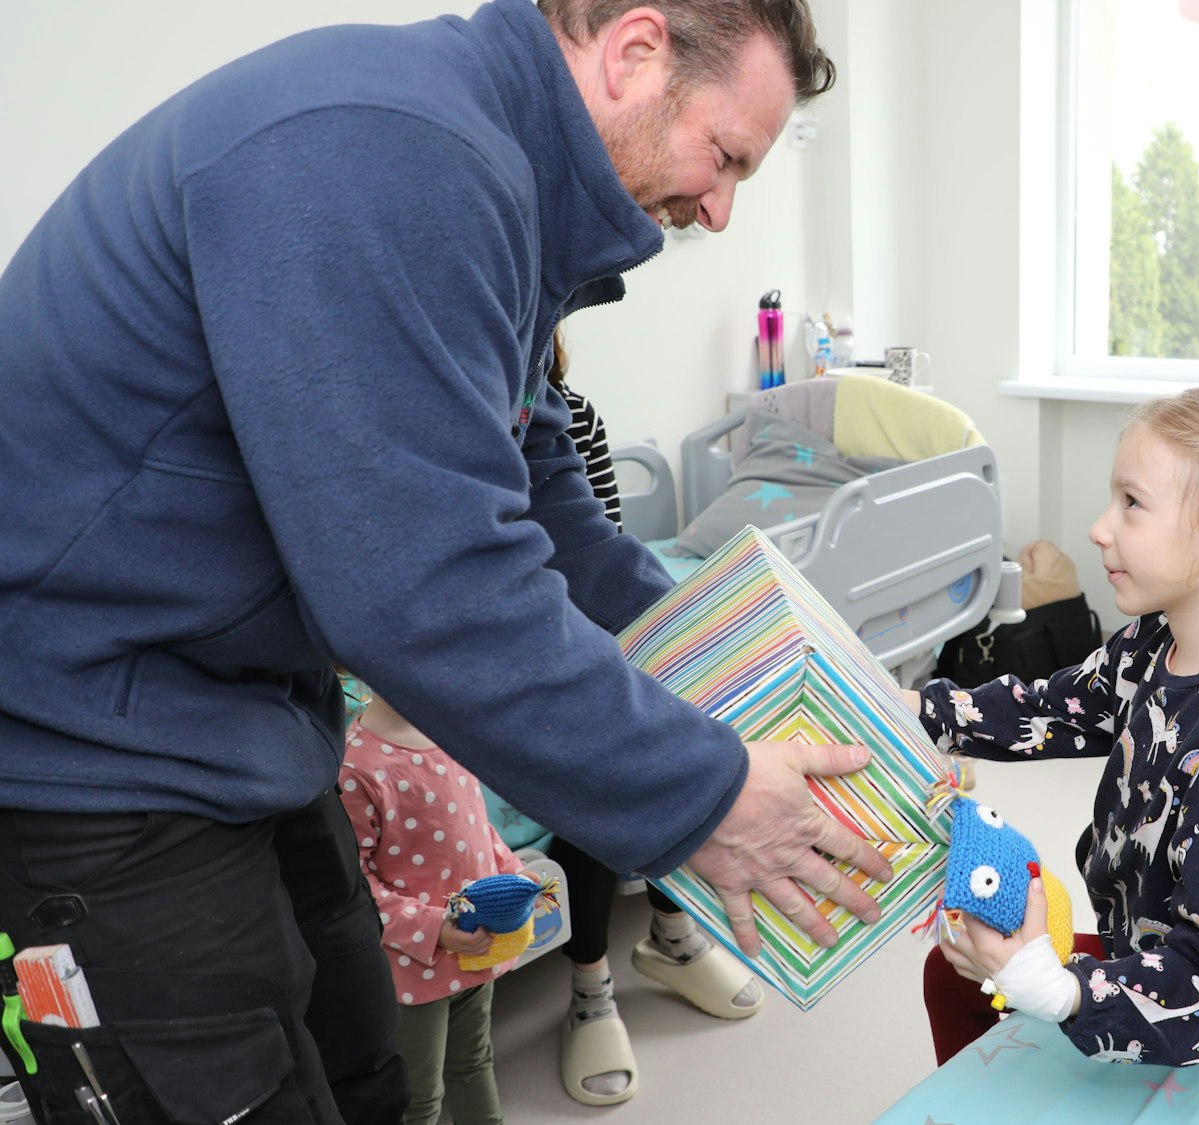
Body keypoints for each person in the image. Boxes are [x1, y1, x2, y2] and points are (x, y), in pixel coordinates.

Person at [0, 3, 894, 1121]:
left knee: (372, 1076)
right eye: (723, 159)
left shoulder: (496, 194)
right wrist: (704, 793)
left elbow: (546, 511)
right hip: (92, 747)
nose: (714, 211)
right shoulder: (386, 147)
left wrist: (751, 672)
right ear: (634, 52)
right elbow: (423, 590)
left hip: (247, 725)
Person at [911, 388, 1199, 1066]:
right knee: (951, 973)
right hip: (1144, 937)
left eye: (1132, 504)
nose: (1099, 528)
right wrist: (926, 710)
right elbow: (1056, 707)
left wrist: (1059, 992)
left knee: (988, 977)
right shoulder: (1153, 640)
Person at [537, 336, 765, 1107]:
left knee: (666, 735)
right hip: (508, 634)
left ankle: (672, 933)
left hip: (588, 624)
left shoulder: (570, 417)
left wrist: (681, 632)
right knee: (590, 773)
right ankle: (590, 985)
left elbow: (596, 543)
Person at [340, 694, 528, 1125]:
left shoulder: (450, 729)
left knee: (474, 1061)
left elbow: (477, 828)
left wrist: (514, 872)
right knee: (419, 1095)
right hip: (413, 970)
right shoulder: (355, 766)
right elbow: (355, 885)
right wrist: (434, 928)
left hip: (478, 949)